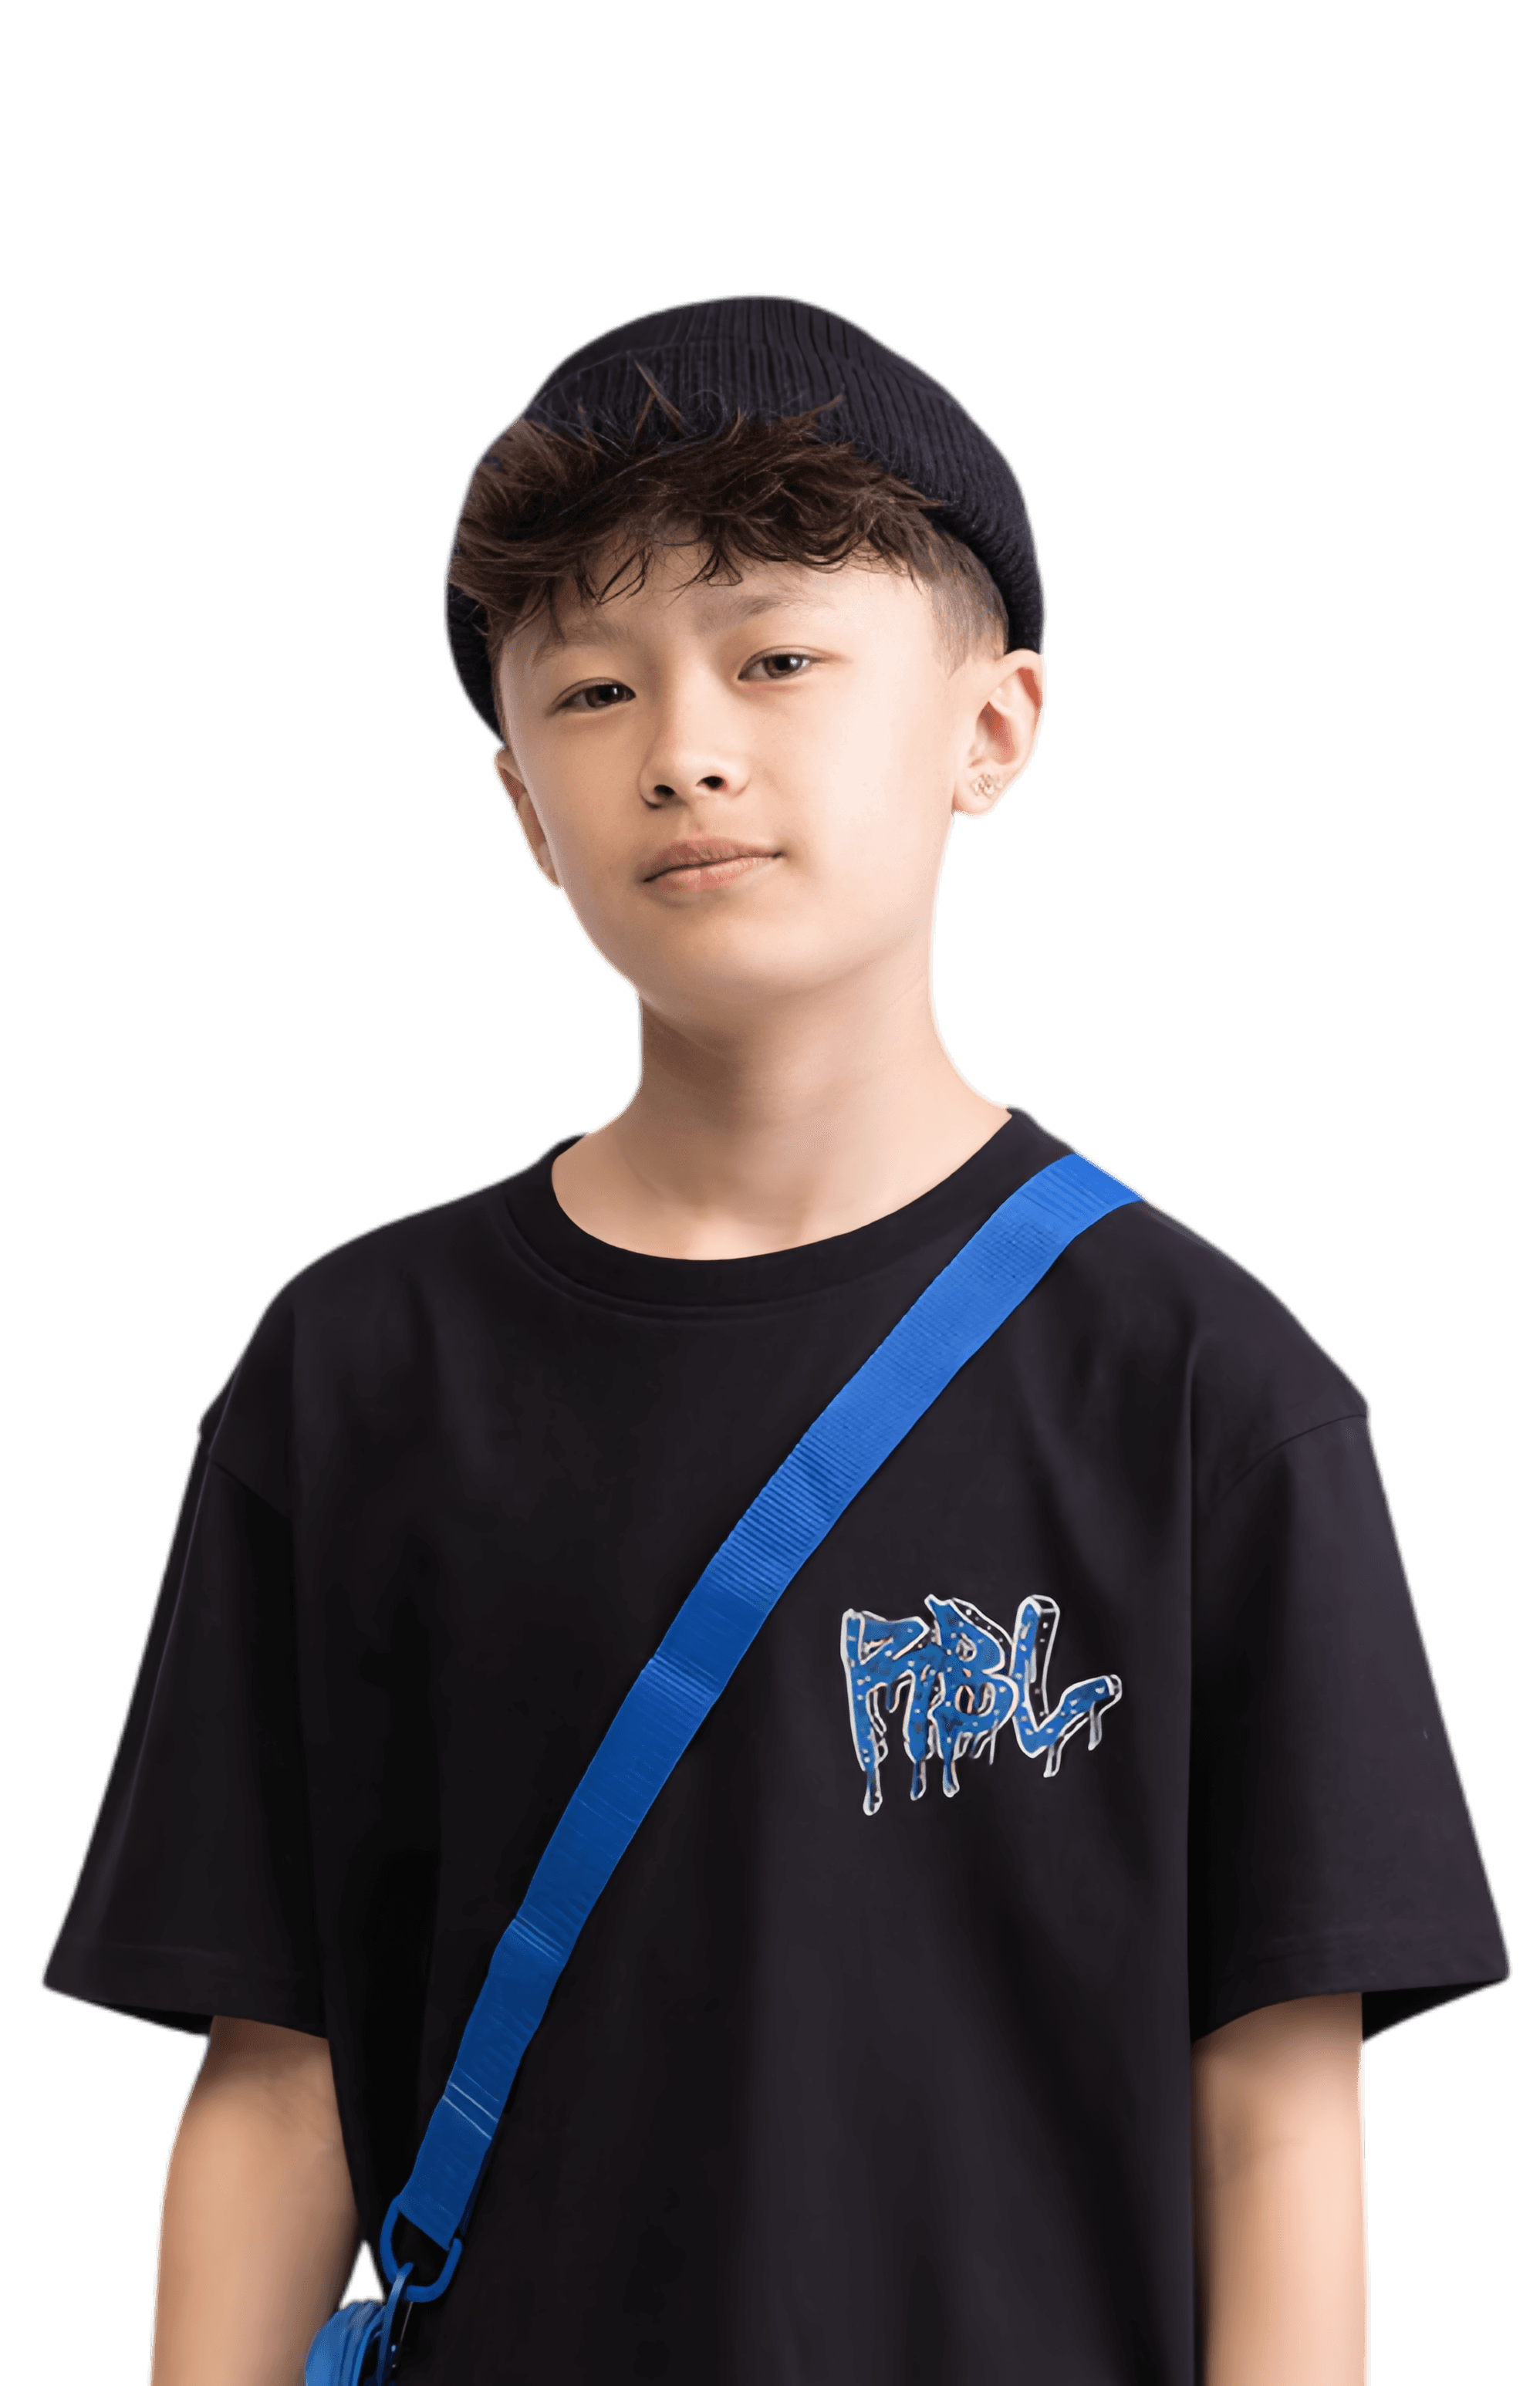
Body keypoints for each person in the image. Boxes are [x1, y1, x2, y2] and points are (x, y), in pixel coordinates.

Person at [43, 294, 1509, 2386]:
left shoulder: (1210, 1387)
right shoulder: (352, 1369)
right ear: (521, 802)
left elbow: (1275, 2118)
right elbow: (280, 2080)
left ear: (991, 727)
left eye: (777, 657)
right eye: (592, 688)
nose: (683, 747)